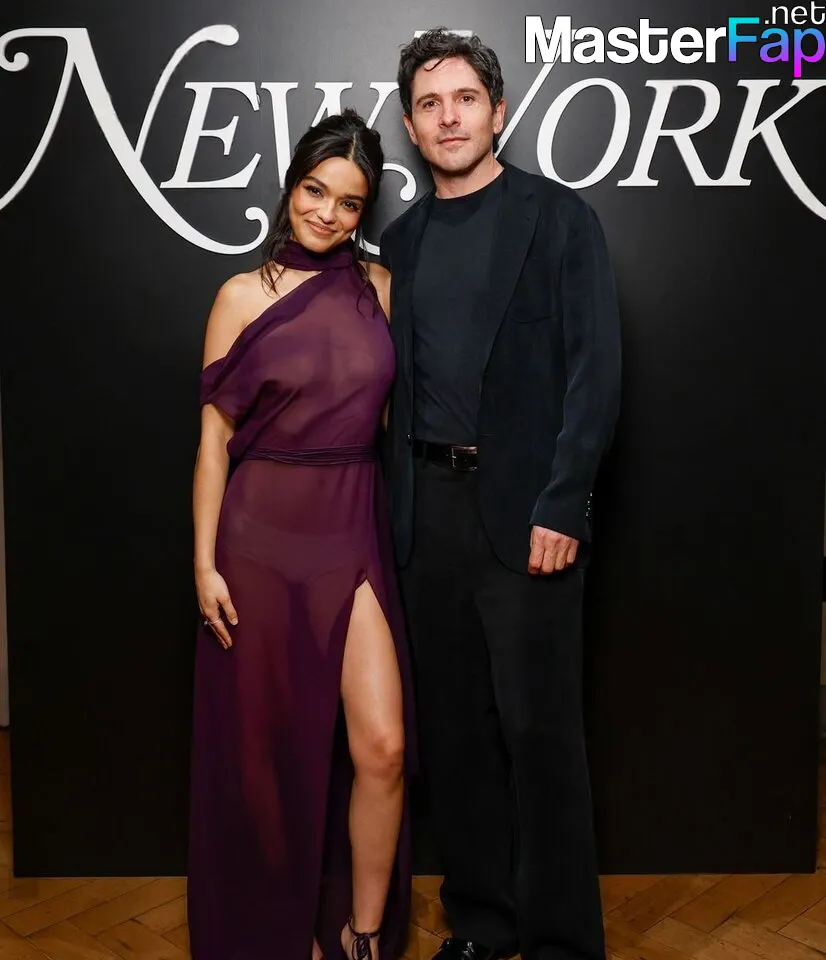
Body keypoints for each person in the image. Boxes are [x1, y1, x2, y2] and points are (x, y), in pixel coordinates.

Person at [379, 29, 621, 960]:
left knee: (541, 735)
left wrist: (564, 503)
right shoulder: (400, 243)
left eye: (465, 99)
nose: (449, 117)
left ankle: (561, 941)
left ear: (498, 112)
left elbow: (595, 373)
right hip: (428, 518)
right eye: (430, 104)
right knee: (456, 736)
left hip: (527, 515)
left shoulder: (559, 219)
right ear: (411, 126)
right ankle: (482, 924)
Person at [187, 109, 415, 960]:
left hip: (351, 525)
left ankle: (362, 936)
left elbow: (392, 417)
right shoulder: (240, 296)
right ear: (291, 186)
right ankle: (287, 939)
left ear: (364, 212)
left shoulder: (381, 288)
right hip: (256, 540)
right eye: (316, 190)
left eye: (349, 203)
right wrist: (203, 563)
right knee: (267, 759)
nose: (327, 213)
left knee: (383, 747)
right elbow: (213, 443)